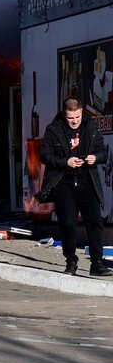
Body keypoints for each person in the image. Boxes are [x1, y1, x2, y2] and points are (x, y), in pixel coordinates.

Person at [40, 97, 111, 277]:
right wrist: (66, 162)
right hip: (64, 181)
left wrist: (96, 158)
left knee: (95, 222)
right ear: (65, 115)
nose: (75, 121)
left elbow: (103, 152)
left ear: (81, 113)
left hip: (88, 179)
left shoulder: (90, 127)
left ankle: (97, 263)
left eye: (78, 117)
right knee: (68, 223)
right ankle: (71, 260)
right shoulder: (53, 129)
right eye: (71, 118)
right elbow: (45, 156)